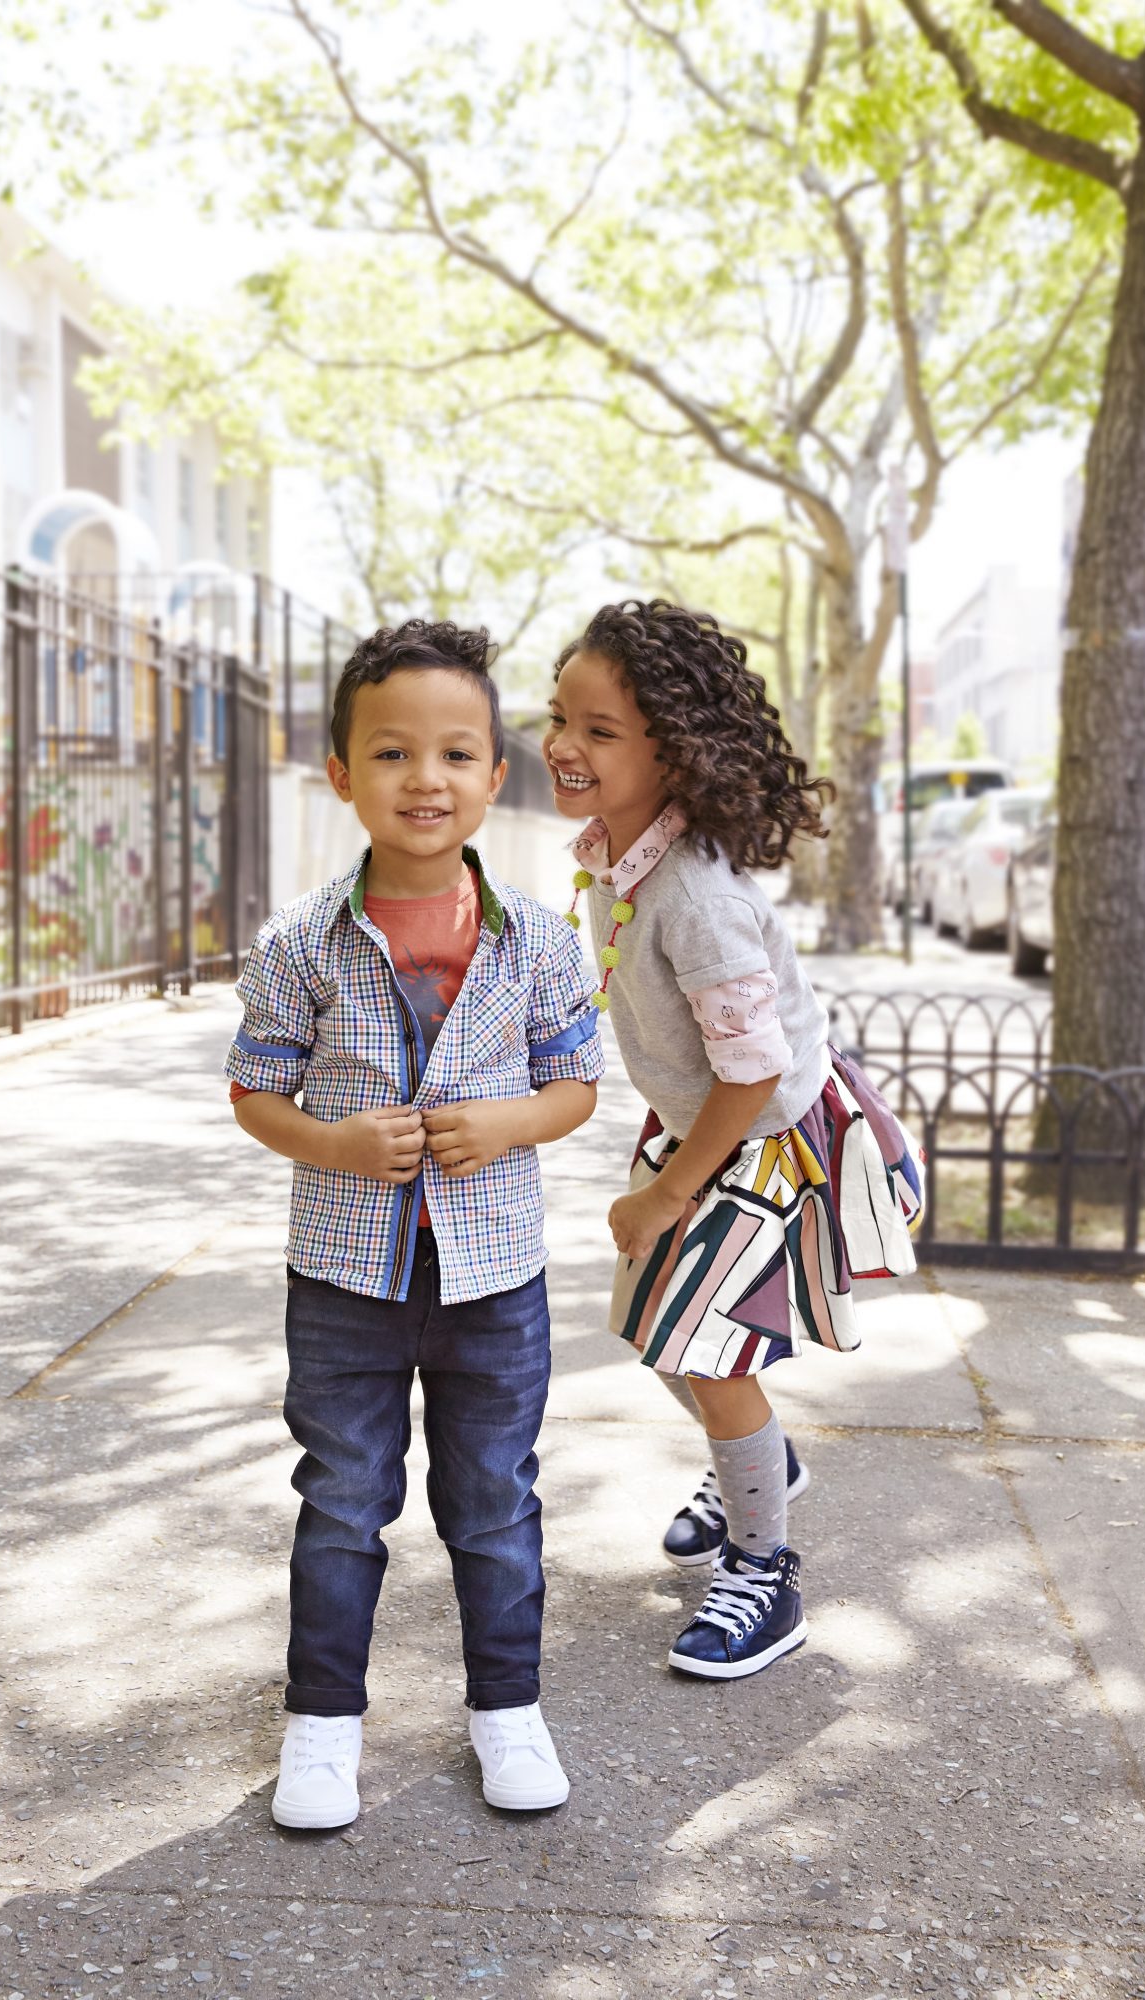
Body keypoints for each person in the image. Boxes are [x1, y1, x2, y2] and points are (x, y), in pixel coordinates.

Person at [226, 619, 603, 1829]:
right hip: (344, 1275)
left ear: (498, 776)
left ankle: (507, 1710)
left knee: (494, 1500)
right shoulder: (299, 941)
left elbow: (576, 1081)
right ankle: (323, 1725)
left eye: (455, 754)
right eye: (391, 753)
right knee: (342, 1497)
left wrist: (509, 1123)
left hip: (495, 1276)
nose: (424, 779)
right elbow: (254, 1088)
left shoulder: (540, 938)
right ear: (341, 772)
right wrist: (332, 1142)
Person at [544, 599, 923, 1681]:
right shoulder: (618, 853)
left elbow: (752, 1068)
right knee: (661, 1332)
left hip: (762, 1145)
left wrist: (665, 1195)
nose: (566, 744)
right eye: (559, 715)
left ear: (679, 751)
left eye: (600, 730)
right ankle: (759, 1459)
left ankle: (766, 1570)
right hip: (703, 1129)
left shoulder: (695, 894)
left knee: (706, 1353)